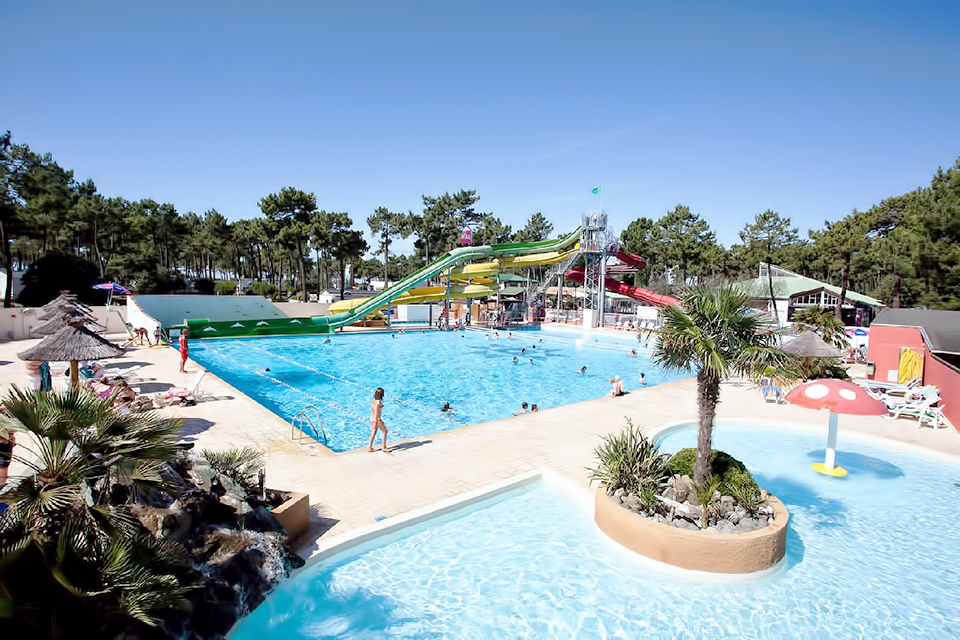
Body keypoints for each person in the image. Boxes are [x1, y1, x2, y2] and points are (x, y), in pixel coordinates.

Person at [368, 387, 390, 452]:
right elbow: (376, 411)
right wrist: (377, 420)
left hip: (372, 418)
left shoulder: (373, 400)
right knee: (385, 431)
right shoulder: (378, 402)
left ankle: (370, 447)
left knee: (373, 433)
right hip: (376, 419)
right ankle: (384, 447)